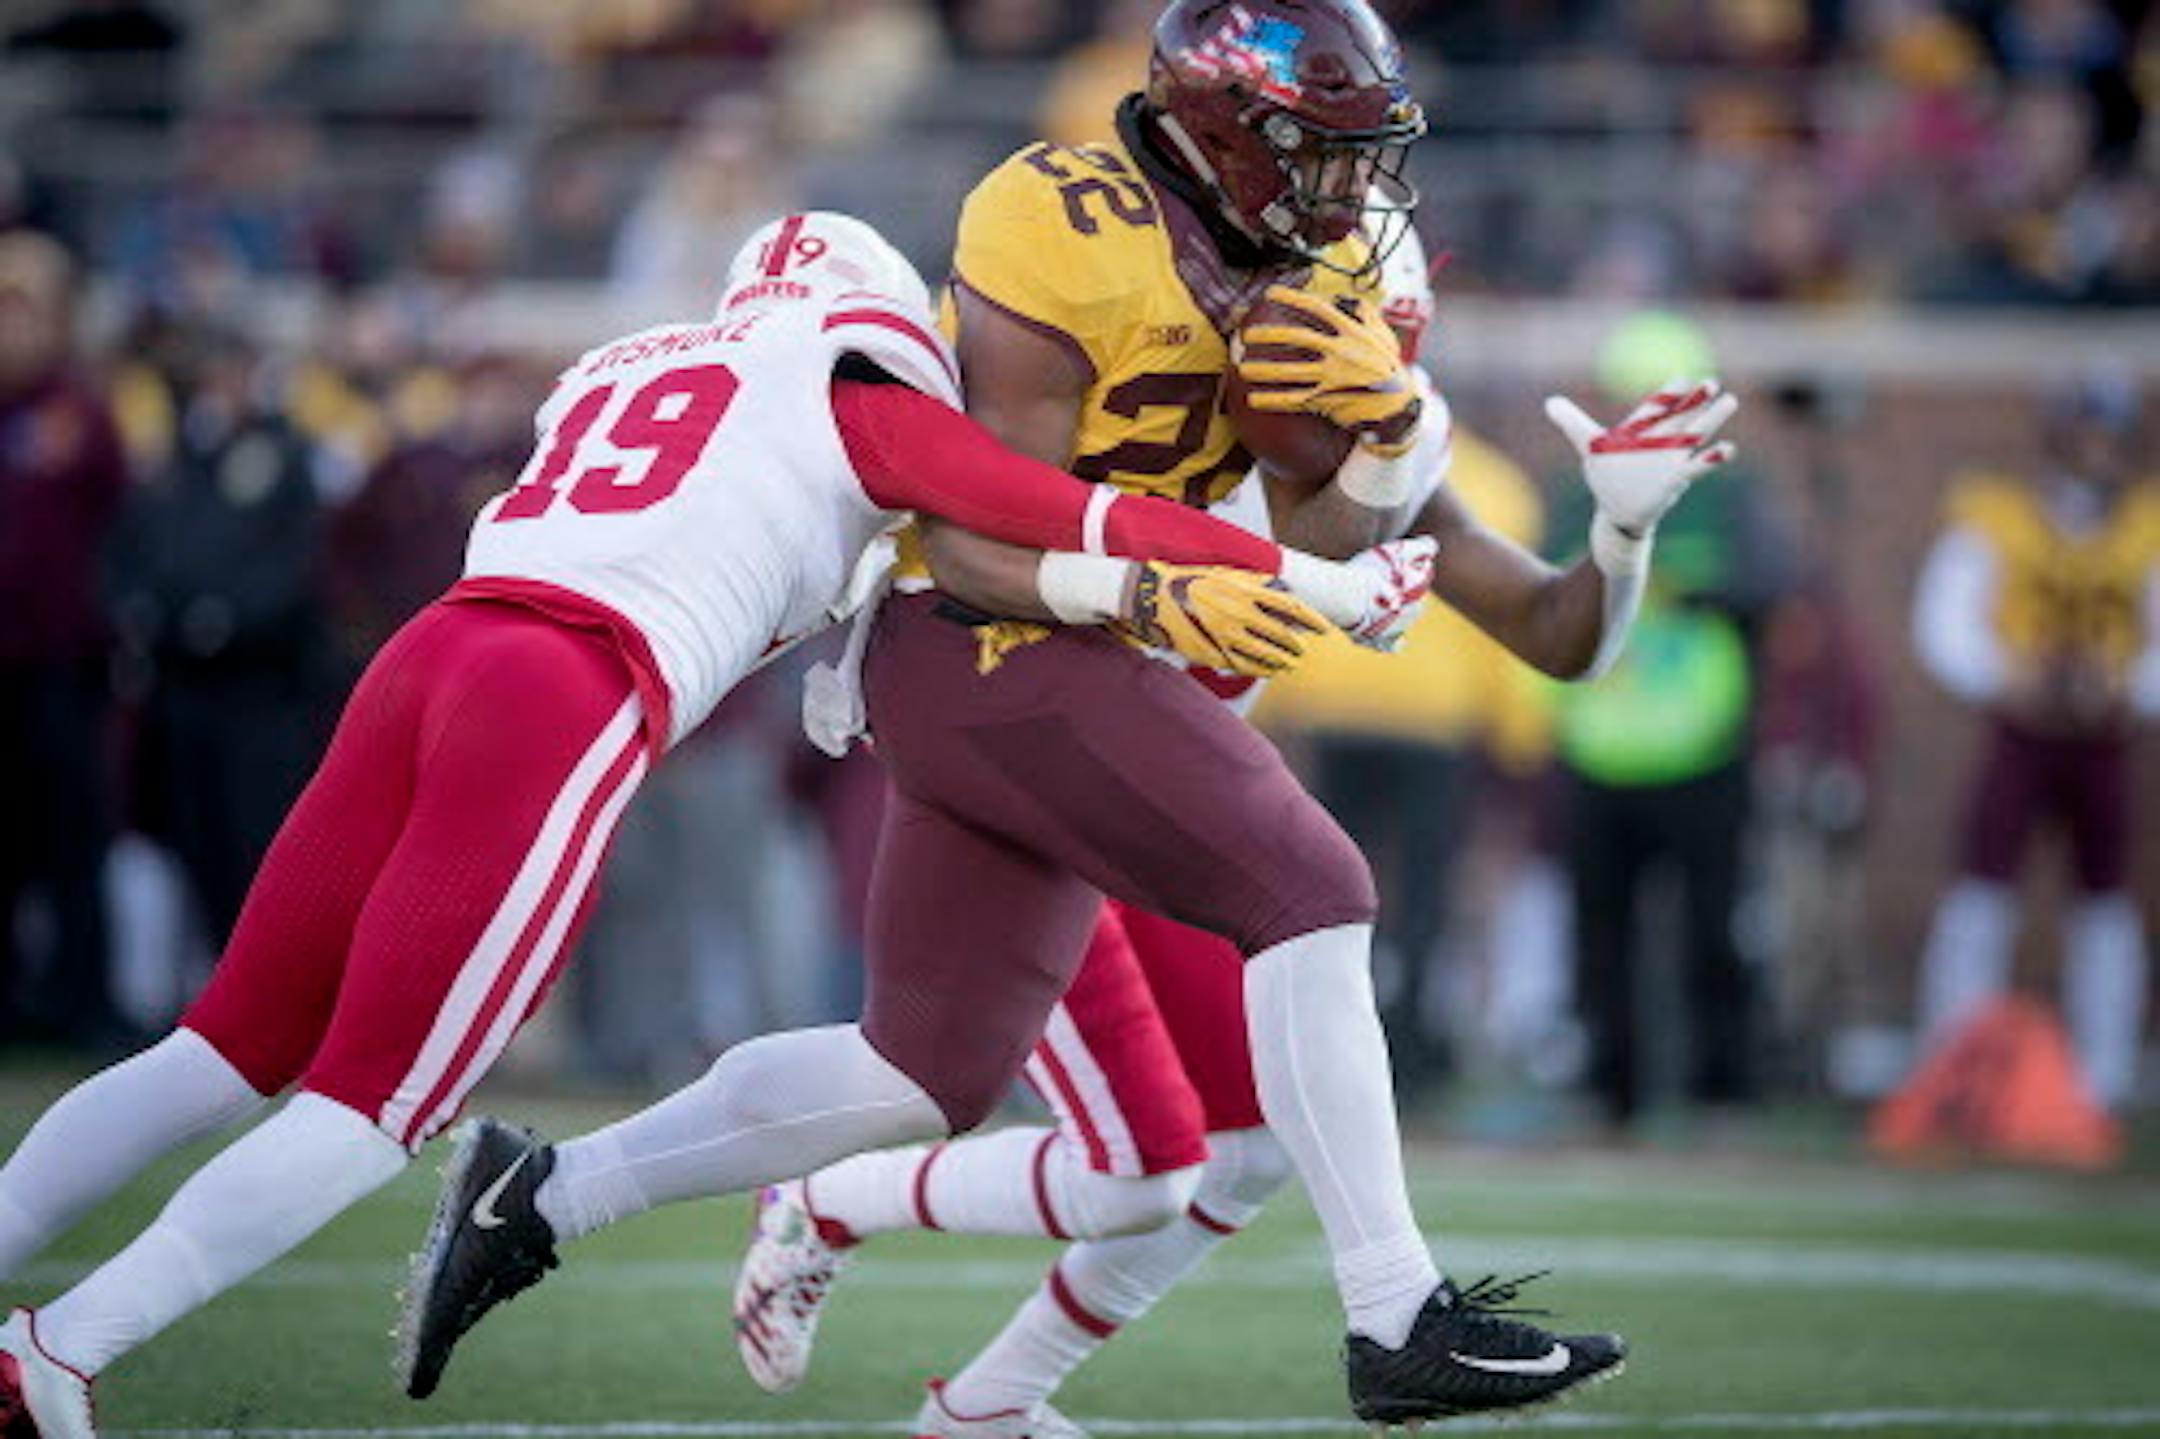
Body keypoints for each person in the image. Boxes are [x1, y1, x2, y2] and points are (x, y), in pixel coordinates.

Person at [398, 4, 1735, 1429]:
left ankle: (543, 1192)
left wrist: (1591, 520)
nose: (1352, 229)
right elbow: (970, 535)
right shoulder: (1071, 224)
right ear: (1230, 142)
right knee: (1312, 889)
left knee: (917, 1073)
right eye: (1328, 169)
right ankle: (1396, 1313)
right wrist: (1155, 588)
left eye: (1384, 310)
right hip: (988, 647)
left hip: (1096, 717)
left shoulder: (1340, 344)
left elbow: (1514, 615)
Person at [0, 211, 1418, 1438]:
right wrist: (1319, 578)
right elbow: (1055, 511)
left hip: (437, 648)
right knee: (379, 1102)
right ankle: (59, 1347)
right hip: (559, 690)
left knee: (222, 1040)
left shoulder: (628, 364)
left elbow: (742, 517)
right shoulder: (856, 387)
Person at [730, 217, 1722, 1438]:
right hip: (1031, 785)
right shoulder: (1125, 400)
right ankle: (832, 1196)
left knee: (1247, 1146)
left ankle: (989, 1401)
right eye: (1337, 346)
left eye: (1386, 351)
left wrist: (1621, 532)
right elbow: (980, 558)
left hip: (1166, 813)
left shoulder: (1389, 440)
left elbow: (1560, 635)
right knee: (1134, 1170)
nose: (1357, 387)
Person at [1911, 371, 2158, 1108]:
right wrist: (2008, 678)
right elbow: (1946, 623)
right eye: (2085, 434)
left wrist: (2125, 687)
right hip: (2020, 730)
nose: (2096, 452)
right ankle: (1955, 1060)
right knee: (1982, 884)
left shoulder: (2145, 526)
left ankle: (2105, 1077)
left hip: (2104, 735)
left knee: (2106, 897)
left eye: (2109, 438)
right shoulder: (2000, 518)